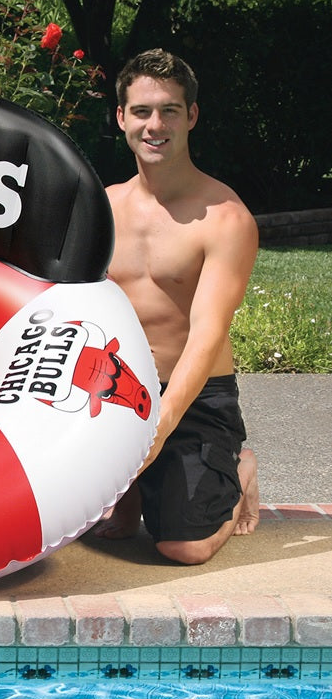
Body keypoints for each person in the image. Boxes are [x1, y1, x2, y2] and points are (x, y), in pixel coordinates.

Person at [95, 48, 260, 564]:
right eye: (142, 111)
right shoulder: (103, 207)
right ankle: (133, 494)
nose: (155, 124)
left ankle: (237, 471)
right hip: (116, 388)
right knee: (95, 526)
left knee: (182, 546)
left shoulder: (225, 218)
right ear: (121, 117)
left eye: (169, 110)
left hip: (193, 397)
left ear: (191, 116)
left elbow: (206, 334)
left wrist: (159, 425)